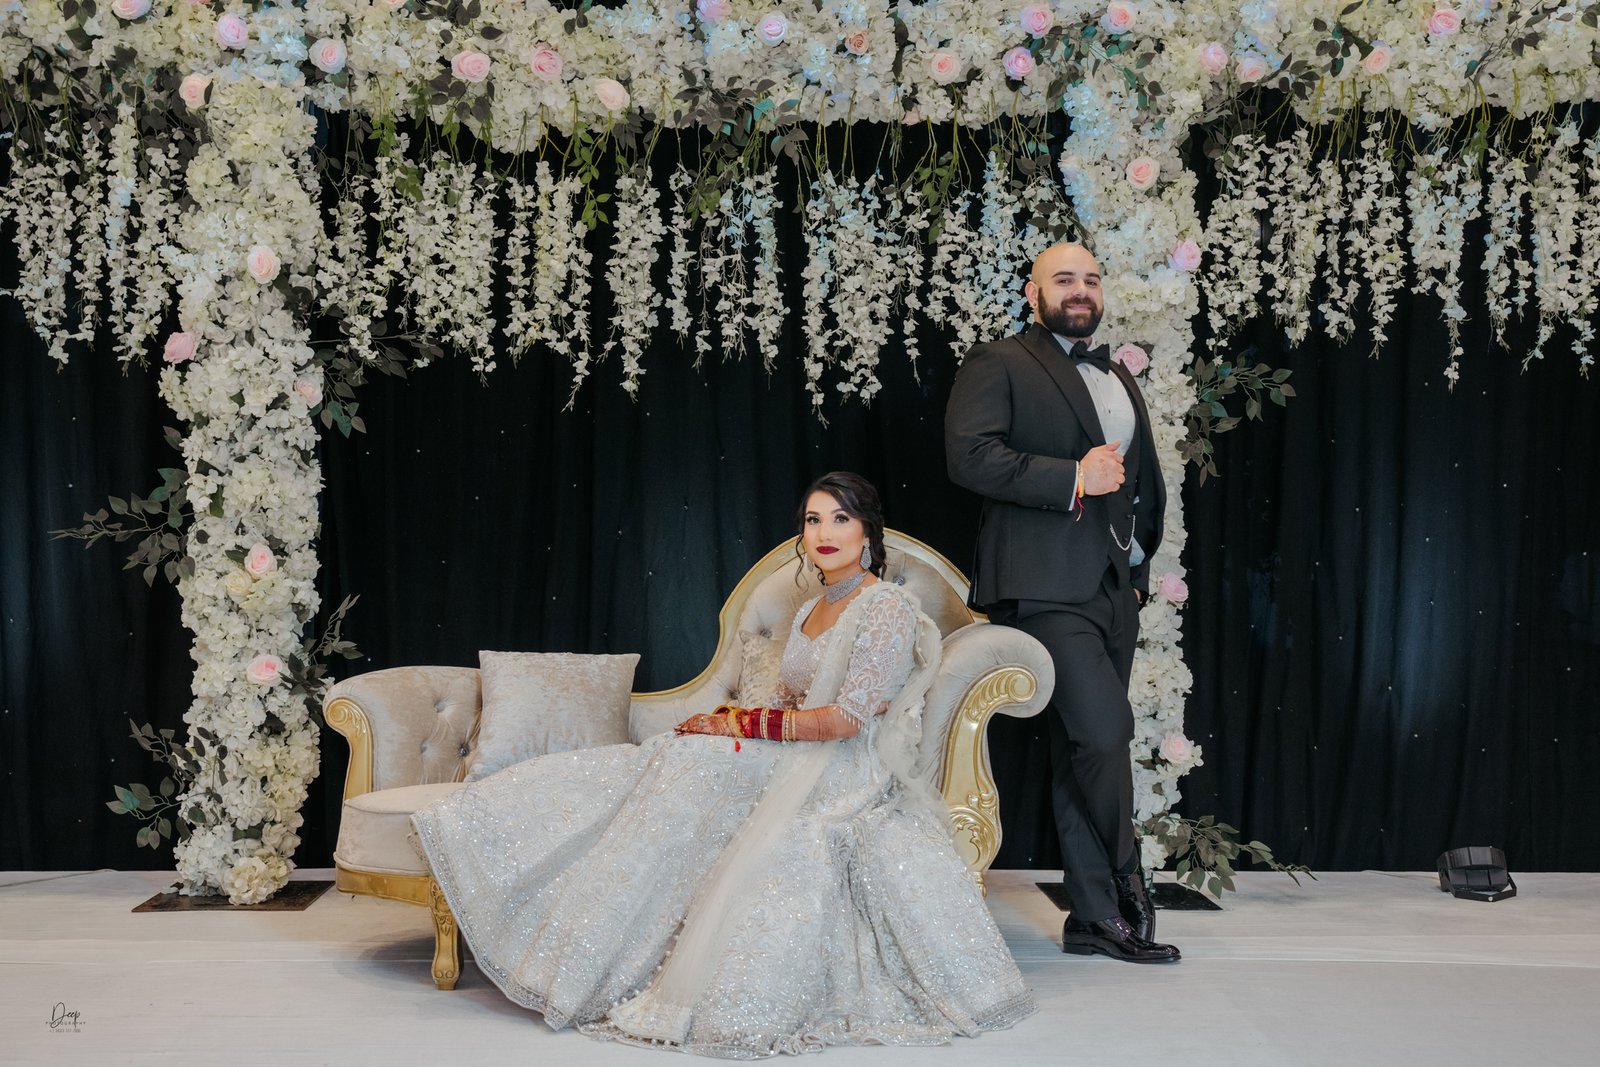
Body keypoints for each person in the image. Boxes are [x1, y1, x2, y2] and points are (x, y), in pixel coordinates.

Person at [412, 472, 1035, 1056]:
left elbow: (847, 720)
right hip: (796, 749)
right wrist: (727, 727)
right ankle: (575, 950)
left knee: (701, 765)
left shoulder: (885, 608)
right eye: (813, 519)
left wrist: (738, 724)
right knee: (677, 755)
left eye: (840, 519)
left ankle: (603, 963)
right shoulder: (809, 609)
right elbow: (789, 702)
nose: (823, 533)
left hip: (844, 767)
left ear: (867, 532)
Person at [944, 242, 1180, 964]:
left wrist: (1138, 571)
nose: (1080, 291)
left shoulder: (1115, 372)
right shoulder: (1001, 361)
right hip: (1042, 585)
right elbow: (969, 456)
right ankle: (1126, 882)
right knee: (1105, 731)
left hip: (1113, 588)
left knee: (1080, 748)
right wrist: (1073, 476)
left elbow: (1137, 480)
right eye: (1064, 279)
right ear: (1032, 291)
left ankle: (1093, 918)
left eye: (1091, 279)